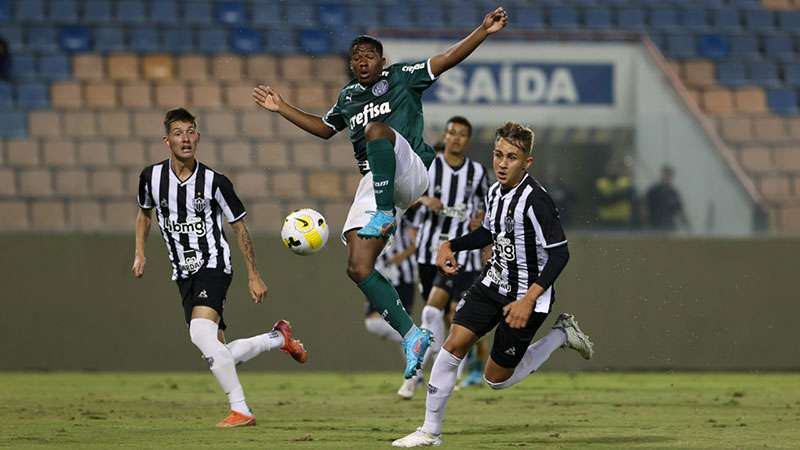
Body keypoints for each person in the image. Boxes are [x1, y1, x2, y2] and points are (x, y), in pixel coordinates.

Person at [252, 7, 509, 379]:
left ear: (381, 60)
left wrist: (482, 31)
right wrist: (281, 108)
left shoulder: (402, 76)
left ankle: (385, 212)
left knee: (376, 131)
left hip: (413, 169)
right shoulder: (348, 98)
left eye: (368, 56)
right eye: (355, 57)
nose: (361, 62)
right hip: (376, 180)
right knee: (358, 267)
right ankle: (412, 336)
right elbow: (325, 129)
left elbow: (446, 59)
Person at [392, 122, 594, 448]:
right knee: (452, 346)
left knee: (495, 380)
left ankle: (561, 335)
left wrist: (528, 299)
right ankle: (430, 431)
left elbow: (560, 255)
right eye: (498, 154)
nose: (502, 163)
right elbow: (489, 232)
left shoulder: (536, 201)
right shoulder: (495, 190)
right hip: (493, 282)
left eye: (511, 157)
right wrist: (451, 246)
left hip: (528, 295)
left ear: (527, 162)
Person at [132, 108, 308, 428]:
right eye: (178, 133)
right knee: (219, 353)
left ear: (198, 136)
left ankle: (241, 409)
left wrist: (253, 274)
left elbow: (240, 227)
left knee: (200, 334)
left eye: (190, 131)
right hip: (182, 272)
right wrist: (140, 253)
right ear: (166, 140)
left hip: (213, 264)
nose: (185, 138)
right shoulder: (151, 178)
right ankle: (278, 338)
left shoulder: (215, 182)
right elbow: (144, 214)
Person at [400, 116, 490, 399]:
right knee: (436, 314)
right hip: (428, 253)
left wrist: (480, 220)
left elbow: (487, 207)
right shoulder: (429, 165)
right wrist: (425, 200)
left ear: (467, 140)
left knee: (446, 313)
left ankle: (416, 376)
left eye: (462, 134)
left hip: (462, 255)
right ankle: (451, 366)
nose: (456, 138)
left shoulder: (477, 172)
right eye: (452, 133)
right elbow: (405, 197)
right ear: (446, 136)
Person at [363, 209, 418, 346]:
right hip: (381, 274)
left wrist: (401, 257)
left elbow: (417, 242)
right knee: (373, 322)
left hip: (403, 274)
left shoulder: (405, 215)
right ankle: (416, 339)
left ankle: (415, 361)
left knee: (404, 321)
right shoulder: (369, 215)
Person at [595, 158, 636, 230]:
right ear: (606, 168)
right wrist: (619, 194)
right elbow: (601, 201)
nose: (613, 169)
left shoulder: (626, 181)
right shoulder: (601, 183)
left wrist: (611, 196)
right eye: (611, 167)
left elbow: (631, 198)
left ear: (619, 169)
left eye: (615, 167)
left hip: (622, 220)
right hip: (606, 220)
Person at [645, 165, 689, 231]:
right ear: (661, 175)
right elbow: (645, 208)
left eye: (669, 175)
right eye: (665, 174)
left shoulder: (673, 193)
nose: (667, 177)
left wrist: (687, 225)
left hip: (669, 227)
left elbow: (680, 210)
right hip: (655, 227)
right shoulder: (653, 191)